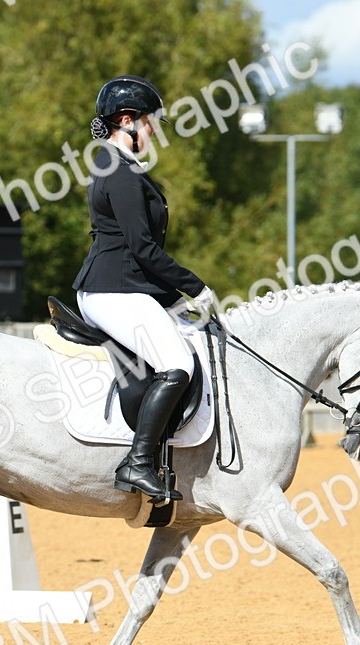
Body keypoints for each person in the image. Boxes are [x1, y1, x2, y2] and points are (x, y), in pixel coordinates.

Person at [72, 75, 218, 503]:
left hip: (124, 286)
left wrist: (174, 302)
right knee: (177, 365)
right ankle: (137, 462)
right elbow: (143, 249)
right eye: (151, 122)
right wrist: (196, 287)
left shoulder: (120, 167)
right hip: (111, 291)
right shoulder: (118, 172)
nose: (154, 130)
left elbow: (137, 258)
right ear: (127, 120)